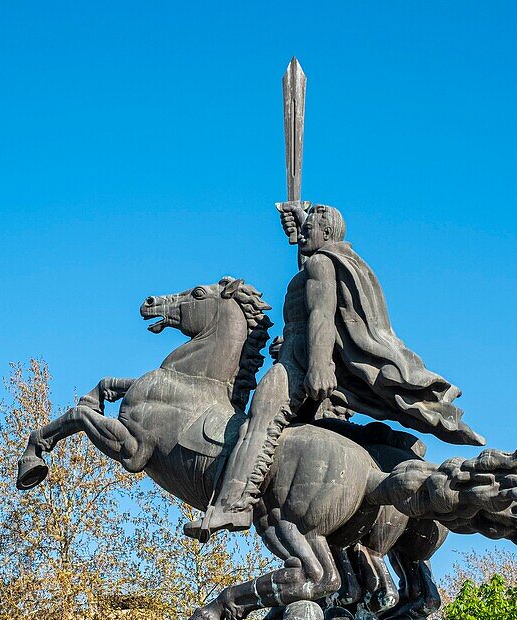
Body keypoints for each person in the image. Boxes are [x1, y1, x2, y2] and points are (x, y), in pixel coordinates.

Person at [184, 203, 485, 541]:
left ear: (326, 234)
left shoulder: (320, 264)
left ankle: (234, 504)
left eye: (309, 228)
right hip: (306, 354)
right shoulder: (324, 262)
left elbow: (321, 315)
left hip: (299, 359)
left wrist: (319, 365)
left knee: (261, 420)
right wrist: (300, 219)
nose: (302, 235)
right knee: (313, 429)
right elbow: (310, 275)